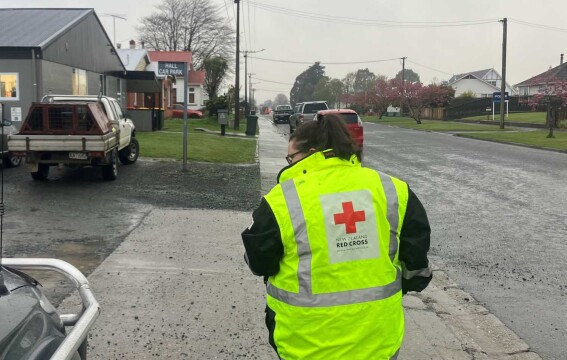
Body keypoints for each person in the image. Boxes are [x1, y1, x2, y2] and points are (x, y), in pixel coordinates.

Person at [241, 113, 432, 360]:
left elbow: (259, 263)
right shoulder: (393, 190)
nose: (289, 164)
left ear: (310, 152)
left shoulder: (282, 200)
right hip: (378, 342)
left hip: (305, 344)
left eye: (291, 158)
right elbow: (417, 269)